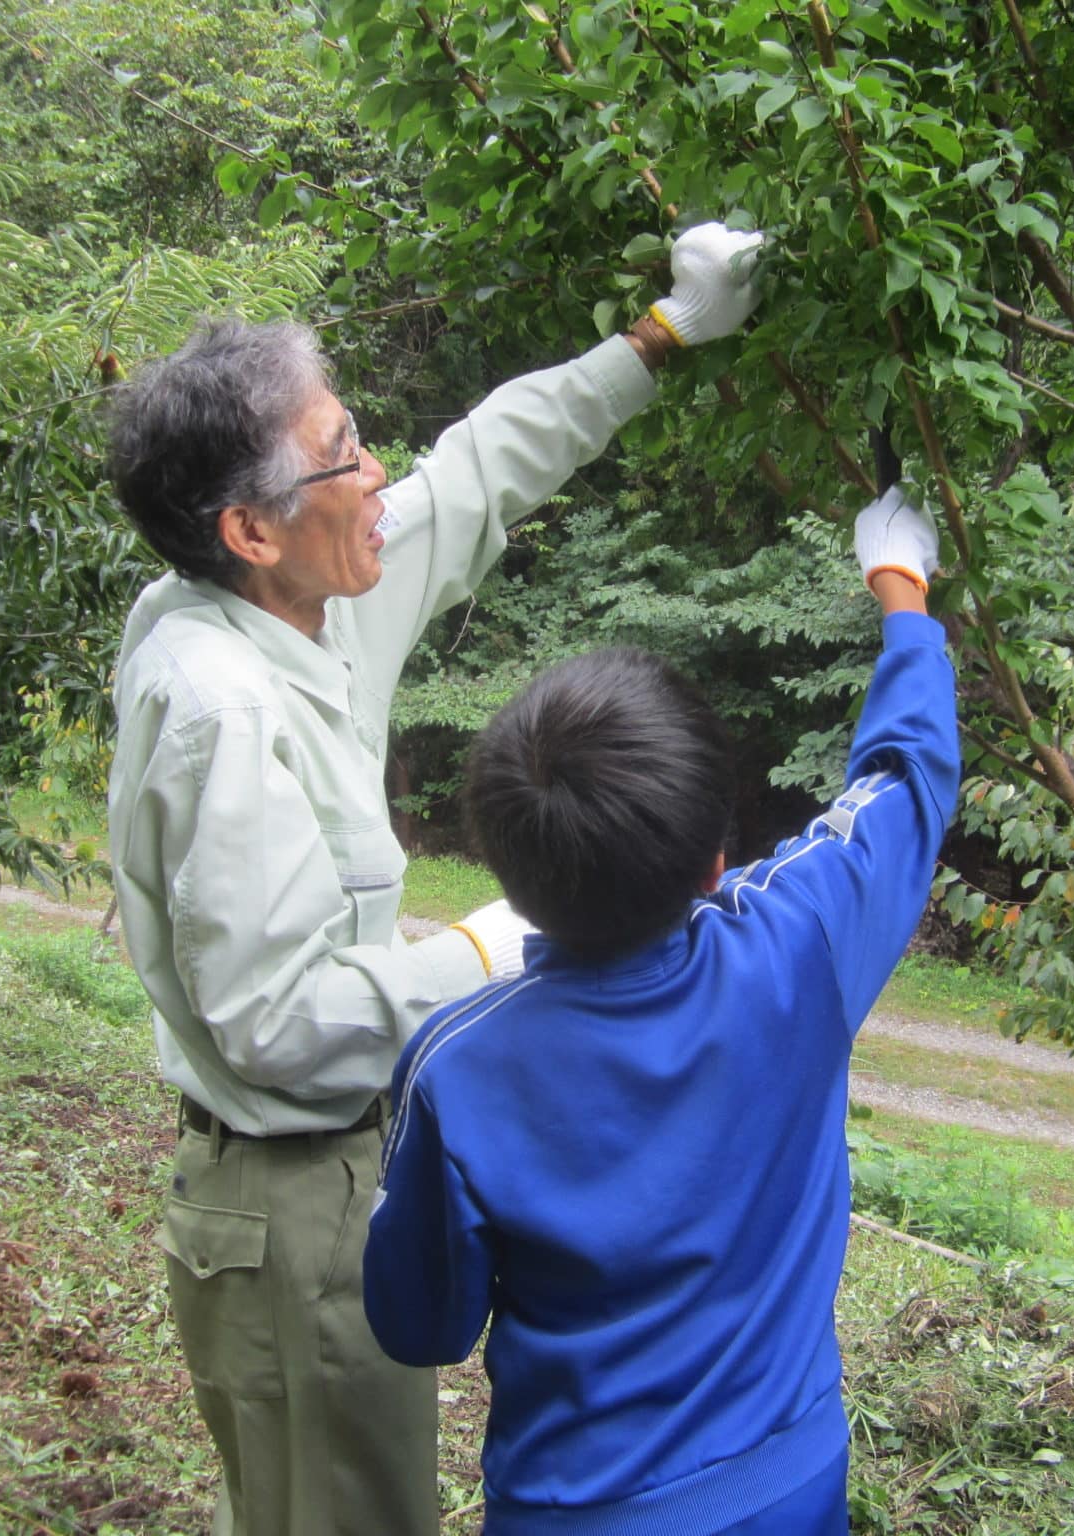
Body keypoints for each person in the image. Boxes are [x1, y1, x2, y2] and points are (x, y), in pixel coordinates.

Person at [102, 221, 765, 1536]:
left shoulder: (308, 585)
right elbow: (277, 1028)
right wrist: (493, 944)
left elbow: (480, 465)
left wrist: (664, 334)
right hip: (290, 1206)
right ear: (249, 525)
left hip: (352, 1179)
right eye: (345, 454)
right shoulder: (217, 708)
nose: (379, 474)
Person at [363, 489, 958, 1534]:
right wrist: (897, 583)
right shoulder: (796, 950)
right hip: (788, 1485)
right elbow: (905, 778)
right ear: (716, 859)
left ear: (504, 874)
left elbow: (422, 1327)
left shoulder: (457, 1069)